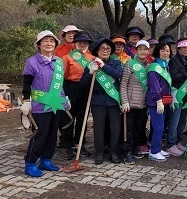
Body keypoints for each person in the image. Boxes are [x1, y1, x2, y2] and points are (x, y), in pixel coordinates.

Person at [21, 30, 70, 177]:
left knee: (52, 134)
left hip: (56, 104)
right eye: (45, 41)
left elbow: (62, 83)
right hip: (39, 105)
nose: (49, 44)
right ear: (39, 45)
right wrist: (26, 101)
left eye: (52, 41)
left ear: (55, 44)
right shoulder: (32, 62)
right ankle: (30, 163)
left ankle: (46, 160)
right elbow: (26, 84)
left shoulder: (59, 62)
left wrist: (65, 98)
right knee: (40, 134)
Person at [79, 38, 123, 165]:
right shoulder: (90, 64)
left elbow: (118, 74)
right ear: (97, 51)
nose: (105, 50)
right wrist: (90, 72)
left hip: (113, 100)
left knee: (115, 128)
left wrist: (103, 66)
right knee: (99, 128)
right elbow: (82, 84)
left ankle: (113, 151)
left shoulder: (116, 63)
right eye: (102, 48)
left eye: (108, 48)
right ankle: (99, 151)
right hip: (98, 101)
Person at [61, 31, 95, 160]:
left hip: (85, 90)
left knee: (83, 118)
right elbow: (62, 78)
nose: (82, 44)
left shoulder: (92, 58)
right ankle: (68, 146)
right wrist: (64, 95)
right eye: (80, 41)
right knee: (68, 118)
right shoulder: (67, 57)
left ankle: (79, 144)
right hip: (71, 88)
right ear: (75, 43)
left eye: (85, 42)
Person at [120, 40, 150, 165]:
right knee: (129, 129)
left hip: (143, 104)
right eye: (140, 49)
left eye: (145, 49)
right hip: (131, 103)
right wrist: (124, 101)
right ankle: (126, 151)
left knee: (139, 128)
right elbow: (123, 84)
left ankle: (134, 148)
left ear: (148, 51)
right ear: (136, 51)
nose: (143, 52)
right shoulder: (130, 64)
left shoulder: (149, 66)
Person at [146, 41, 173, 162]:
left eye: (167, 50)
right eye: (163, 50)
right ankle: (154, 152)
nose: (166, 53)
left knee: (161, 127)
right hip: (156, 101)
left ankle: (157, 148)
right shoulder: (154, 66)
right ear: (158, 51)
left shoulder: (165, 65)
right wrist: (158, 100)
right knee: (158, 127)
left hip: (164, 101)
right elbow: (154, 85)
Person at [168, 37, 187, 156]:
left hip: (186, 95)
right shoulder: (174, 60)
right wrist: (186, 74)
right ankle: (170, 144)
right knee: (174, 120)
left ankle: (178, 141)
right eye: (184, 47)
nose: (186, 49)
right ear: (178, 49)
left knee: (182, 120)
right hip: (177, 93)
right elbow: (174, 75)